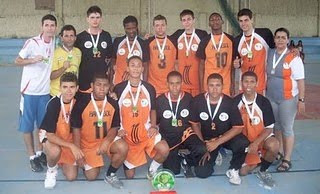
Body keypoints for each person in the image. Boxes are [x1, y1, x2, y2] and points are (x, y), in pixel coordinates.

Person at [114, 56, 169, 179]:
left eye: (138, 65)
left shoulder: (149, 88)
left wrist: (154, 126)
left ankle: (152, 169)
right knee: (130, 176)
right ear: (127, 68)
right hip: (126, 135)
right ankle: (126, 157)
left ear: (142, 69)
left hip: (145, 133)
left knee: (164, 149)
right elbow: (114, 111)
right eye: (132, 65)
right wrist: (118, 129)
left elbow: (153, 109)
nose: (135, 68)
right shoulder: (119, 88)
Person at [15, 14, 57, 172]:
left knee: (42, 126)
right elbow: (17, 60)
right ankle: (32, 156)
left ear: (55, 28)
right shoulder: (32, 43)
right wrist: (33, 60)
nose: (49, 28)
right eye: (47, 25)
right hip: (29, 92)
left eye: (52, 25)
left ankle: (40, 153)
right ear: (42, 26)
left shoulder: (54, 42)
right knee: (27, 126)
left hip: (44, 92)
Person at [70, 73, 128, 189]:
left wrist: (107, 141)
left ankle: (110, 174)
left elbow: (115, 126)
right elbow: (76, 129)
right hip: (88, 144)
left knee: (123, 147)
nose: (102, 88)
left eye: (105, 85)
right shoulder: (82, 103)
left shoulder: (113, 103)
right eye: (98, 85)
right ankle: (90, 160)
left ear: (109, 86)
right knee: (91, 176)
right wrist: (78, 153)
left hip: (106, 140)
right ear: (92, 86)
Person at [190, 73, 249, 184]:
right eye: (211, 85)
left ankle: (234, 168)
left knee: (243, 143)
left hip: (225, 137)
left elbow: (238, 128)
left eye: (218, 85)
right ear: (206, 86)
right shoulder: (197, 101)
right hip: (207, 139)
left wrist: (217, 142)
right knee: (201, 173)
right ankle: (215, 154)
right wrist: (203, 144)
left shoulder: (230, 103)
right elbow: (195, 124)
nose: (215, 89)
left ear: (223, 86)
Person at [266, 28, 305, 172]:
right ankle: (278, 152)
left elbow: (301, 80)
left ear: (288, 40)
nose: (280, 40)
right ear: (274, 39)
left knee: (287, 128)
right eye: (278, 37)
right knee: (276, 126)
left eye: (283, 37)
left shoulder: (294, 57)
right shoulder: (269, 53)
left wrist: (301, 100)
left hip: (287, 99)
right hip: (271, 97)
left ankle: (287, 159)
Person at [156, 71, 206, 176]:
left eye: (177, 83)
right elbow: (155, 124)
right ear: (167, 84)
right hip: (168, 137)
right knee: (173, 171)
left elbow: (194, 123)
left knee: (201, 149)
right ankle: (178, 156)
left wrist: (202, 143)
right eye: (171, 83)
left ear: (182, 83)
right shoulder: (159, 100)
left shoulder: (189, 99)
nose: (175, 87)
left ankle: (186, 159)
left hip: (185, 134)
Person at [234, 71, 279, 187]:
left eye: (252, 82)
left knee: (274, 145)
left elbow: (269, 128)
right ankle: (257, 157)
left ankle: (263, 169)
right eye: (246, 82)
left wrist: (256, 143)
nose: (248, 85)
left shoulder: (264, 102)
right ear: (241, 84)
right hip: (246, 142)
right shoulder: (235, 102)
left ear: (257, 84)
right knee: (242, 172)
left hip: (261, 138)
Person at [39, 72, 82, 189]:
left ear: (77, 88)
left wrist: (77, 148)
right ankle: (51, 170)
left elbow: (77, 128)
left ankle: (61, 160)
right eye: (65, 87)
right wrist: (72, 146)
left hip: (67, 137)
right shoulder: (53, 104)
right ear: (60, 87)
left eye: (72, 87)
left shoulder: (78, 102)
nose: (69, 91)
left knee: (71, 177)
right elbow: (50, 135)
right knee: (55, 151)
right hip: (50, 135)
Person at [233, 8, 275, 94]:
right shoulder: (237, 40)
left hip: (261, 82)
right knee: (245, 107)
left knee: (260, 107)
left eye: (246, 20)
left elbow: (278, 48)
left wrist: (293, 49)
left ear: (252, 20)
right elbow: (237, 61)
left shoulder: (265, 34)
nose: (243, 24)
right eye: (241, 21)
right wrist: (236, 64)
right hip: (244, 84)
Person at [74, 5, 113, 97]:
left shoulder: (106, 36)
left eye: (97, 17)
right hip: (85, 80)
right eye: (92, 17)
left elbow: (110, 59)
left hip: (101, 81)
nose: (95, 20)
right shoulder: (80, 37)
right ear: (87, 19)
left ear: (101, 19)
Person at [170, 9, 207, 96]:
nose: (187, 22)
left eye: (189, 19)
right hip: (182, 81)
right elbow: (165, 39)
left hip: (197, 80)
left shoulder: (202, 35)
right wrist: (149, 38)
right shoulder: (178, 35)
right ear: (181, 22)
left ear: (194, 20)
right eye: (184, 20)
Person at [197, 12, 234, 96]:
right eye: (212, 20)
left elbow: (232, 65)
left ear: (222, 21)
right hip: (209, 82)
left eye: (217, 19)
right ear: (209, 24)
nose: (215, 21)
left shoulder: (230, 39)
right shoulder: (204, 41)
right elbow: (201, 65)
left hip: (225, 82)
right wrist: (201, 87)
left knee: (224, 107)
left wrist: (233, 83)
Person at [111, 15, 149, 85]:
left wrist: (144, 84)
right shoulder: (118, 42)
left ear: (137, 27)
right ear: (124, 28)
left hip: (137, 84)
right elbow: (112, 62)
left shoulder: (143, 43)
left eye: (133, 28)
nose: (131, 31)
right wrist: (110, 83)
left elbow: (145, 66)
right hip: (118, 82)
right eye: (128, 28)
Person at [146, 15, 177, 96]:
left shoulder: (173, 41)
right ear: (153, 27)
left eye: (162, 25)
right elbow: (145, 63)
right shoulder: (148, 42)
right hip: (153, 85)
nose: (160, 28)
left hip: (169, 85)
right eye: (157, 25)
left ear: (166, 26)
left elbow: (177, 63)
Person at [50, 25, 81, 97]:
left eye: (71, 36)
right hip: (57, 94)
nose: (69, 39)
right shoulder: (55, 53)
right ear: (61, 38)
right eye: (66, 36)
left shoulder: (78, 52)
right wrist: (63, 68)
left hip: (72, 95)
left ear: (75, 38)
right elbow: (51, 76)